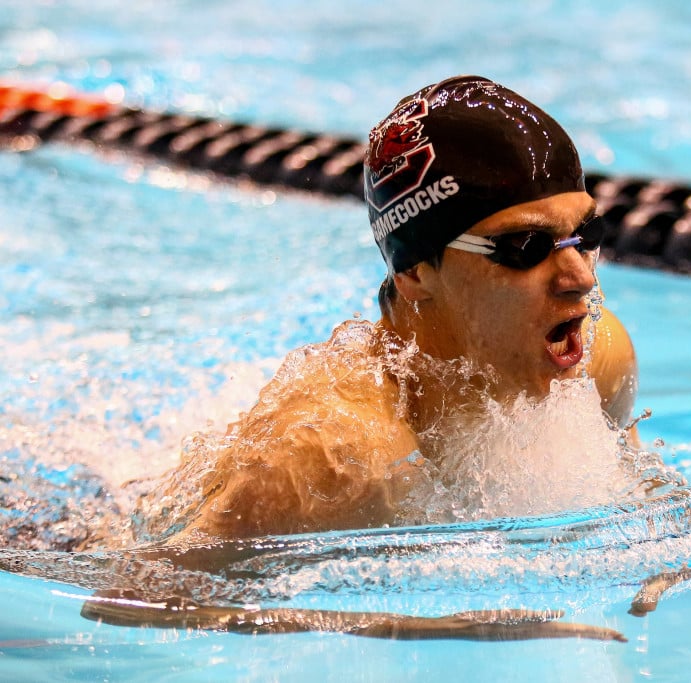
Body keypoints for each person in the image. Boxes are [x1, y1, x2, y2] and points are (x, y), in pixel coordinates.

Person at [141, 75, 639, 545]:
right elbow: (142, 596)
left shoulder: (599, 362)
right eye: (526, 246)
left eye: (586, 236)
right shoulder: (337, 460)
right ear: (416, 271)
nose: (581, 278)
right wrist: (462, 626)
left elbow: (630, 490)